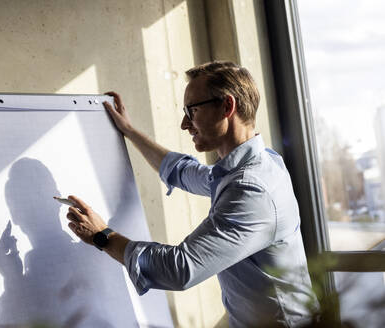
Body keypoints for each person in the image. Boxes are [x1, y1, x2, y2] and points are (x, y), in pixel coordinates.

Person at [64, 61, 319, 327]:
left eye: (192, 110)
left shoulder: (252, 189)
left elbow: (181, 268)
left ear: (227, 107)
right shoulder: (252, 165)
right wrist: (129, 131)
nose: (185, 123)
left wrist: (103, 236)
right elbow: (183, 171)